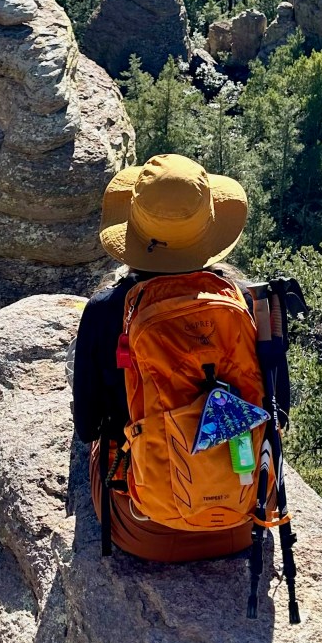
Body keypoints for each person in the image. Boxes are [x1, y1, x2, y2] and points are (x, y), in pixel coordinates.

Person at [72, 152, 257, 562]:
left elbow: (87, 427)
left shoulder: (106, 311)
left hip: (144, 528)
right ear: (208, 230)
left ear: (135, 230)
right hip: (243, 518)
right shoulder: (243, 306)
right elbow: (277, 409)